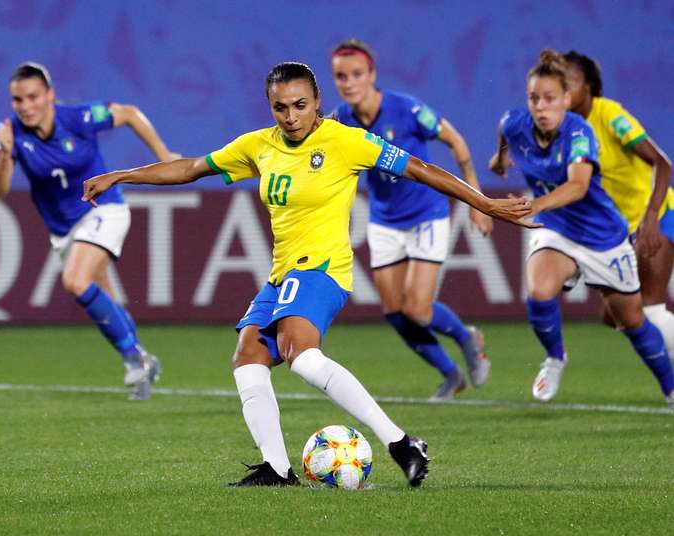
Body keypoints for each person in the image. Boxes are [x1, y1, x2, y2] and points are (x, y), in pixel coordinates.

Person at [83, 62, 536, 487]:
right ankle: (277, 469)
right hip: (283, 274)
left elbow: (421, 168)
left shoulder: (346, 141)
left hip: (323, 268)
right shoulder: (258, 146)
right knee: (248, 359)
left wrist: (485, 202)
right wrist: (122, 174)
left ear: (317, 101)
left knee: (299, 353)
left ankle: (401, 443)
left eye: (300, 105)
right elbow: (190, 168)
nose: (291, 116)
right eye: (280, 107)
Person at [488, 49, 674, 407]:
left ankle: (669, 387)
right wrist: (500, 159)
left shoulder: (581, 131)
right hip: (557, 228)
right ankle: (556, 357)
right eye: (534, 98)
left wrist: (533, 205)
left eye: (550, 99)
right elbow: (505, 130)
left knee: (632, 320)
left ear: (567, 99)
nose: (541, 107)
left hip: (603, 236)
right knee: (539, 290)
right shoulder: (515, 123)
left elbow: (578, 186)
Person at [0, 62, 180, 400]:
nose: (26, 106)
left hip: (104, 209)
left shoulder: (77, 118)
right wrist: (3, 153)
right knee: (107, 302)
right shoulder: (10, 134)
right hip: (64, 232)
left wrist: (164, 155)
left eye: (33, 97)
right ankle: (141, 360)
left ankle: (134, 360)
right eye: (18, 100)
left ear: (50, 95)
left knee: (75, 281)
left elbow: (131, 113)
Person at [329, 39, 492, 401]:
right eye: (341, 76)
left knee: (417, 308)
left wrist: (477, 202)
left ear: (372, 75)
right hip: (384, 220)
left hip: (426, 214)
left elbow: (458, 144)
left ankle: (467, 338)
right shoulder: (340, 119)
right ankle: (451, 376)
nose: (349, 82)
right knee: (394, 311)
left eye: (357, 74)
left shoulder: (409, 109)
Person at [562, 50, 674, 358]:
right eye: (561, 80)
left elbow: (663, 164)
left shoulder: (609, 115)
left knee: (649, 308)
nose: (565, 87)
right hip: (623, 232)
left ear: (589, 87)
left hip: (659, 215)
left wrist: (651, 218)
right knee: (614, 317)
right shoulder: (565, 130)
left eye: (572, 79)